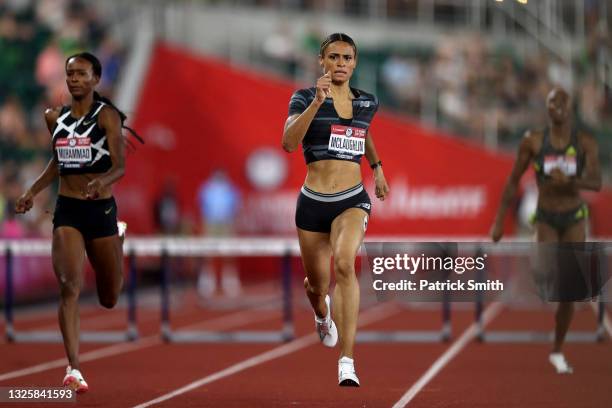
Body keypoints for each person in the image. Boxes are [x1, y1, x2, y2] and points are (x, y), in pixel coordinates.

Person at [15, 52, 139, 392]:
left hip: (100, 212)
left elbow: (120, 165)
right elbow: (57, 163)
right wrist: (32, 191)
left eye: (82, 74)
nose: (74, 80)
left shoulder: (107, 117)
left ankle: (118, 238)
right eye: (70, 74)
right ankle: (73, 368)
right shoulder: (54, 117)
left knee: (110, 297)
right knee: (69, 285)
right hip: (67, 209)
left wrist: (103, 183)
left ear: (96, 79)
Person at [282, 33, 389, 386]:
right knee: (316, 285)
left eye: (347, 58)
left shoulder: (367, 103)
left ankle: (347, 359)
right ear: (322, 62)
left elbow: (365, 134)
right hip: (313, 204)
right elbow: (287, 143)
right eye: (334, 57)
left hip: (351, 200)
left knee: (345, 263)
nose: (341, 63)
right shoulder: (303, 98)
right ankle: (321, 314)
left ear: (355, 63)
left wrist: (377, 168)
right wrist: (317, 102)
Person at [491, 86, 602, 374]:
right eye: (553, 102)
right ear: (547, 108)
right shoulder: (534, 141)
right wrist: (499, 220)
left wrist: (570, 179)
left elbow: (596, 182)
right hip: (546, 217)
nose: (558, 107)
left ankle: (557, 347)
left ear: (570, 106)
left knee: (569, 291)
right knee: (544, 271)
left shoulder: (585, 141)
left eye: (563, 102)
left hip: (575, 215)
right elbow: (513, 180)